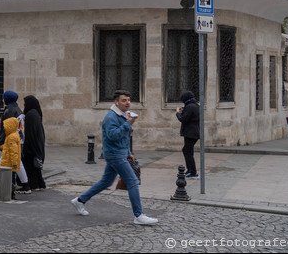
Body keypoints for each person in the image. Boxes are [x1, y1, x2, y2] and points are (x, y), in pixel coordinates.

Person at [72, 89, 157, 225]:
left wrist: (129, 152)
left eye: (128, 100)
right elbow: (113, 136)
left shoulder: (123, 115)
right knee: (133, 181)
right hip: (115, 155)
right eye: (124, 100)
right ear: (116, 102)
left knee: (106, 182)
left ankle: (80, 200)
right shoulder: (111, 117)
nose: (128, 103)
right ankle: (138, 215)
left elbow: (124, 137)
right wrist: (128, 123)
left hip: (119, 154)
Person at [21, 95, 46, 190]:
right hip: (37, 144)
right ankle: (40, 183)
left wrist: (27, 146)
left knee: (30, 166)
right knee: (36, 167)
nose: (24, 104)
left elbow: (30, 132)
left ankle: (34, 185)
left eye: (25, 103)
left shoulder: (31, 115)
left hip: (31, 146)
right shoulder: (36, 113)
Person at [175, 90, 201, 177]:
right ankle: (190, 170)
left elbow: (183, 119)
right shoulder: (194, 106)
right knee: (188, 151)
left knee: (187, 151)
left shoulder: (190, 107)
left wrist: (178, 113)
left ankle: (193, 172)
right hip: (192, 133)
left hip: (191, 133)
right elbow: (189, 117)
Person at [0, 115, 22, 192]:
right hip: (9, 163)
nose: (4, 129)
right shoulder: (11, 136)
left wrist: (14, 163)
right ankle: (10, 191)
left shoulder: (12, 137)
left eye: (6, 126)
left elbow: (14, 152)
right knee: (10, 179)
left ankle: (11, 193)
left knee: (11, 180)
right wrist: (0, 147)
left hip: (10, 164)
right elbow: (7, 147)